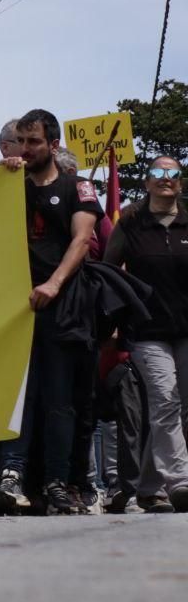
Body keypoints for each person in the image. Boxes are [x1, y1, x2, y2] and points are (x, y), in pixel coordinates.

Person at [0, 109, 102, 516]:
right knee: (18, 394)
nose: (26, 149)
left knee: (60, 398)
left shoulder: (80, 187)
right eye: (21, 141)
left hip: (64, 307)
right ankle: (11, 474)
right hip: (15, 310)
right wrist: (1, 176)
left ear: (53, 145)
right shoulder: (11, 186)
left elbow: (81, 240)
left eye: (34, 141)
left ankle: (59, 481)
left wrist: (54, 283)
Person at [104, 156, 188, 514]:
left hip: (186, 329)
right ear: (148, 181)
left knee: (180, 406)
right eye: (157, 172)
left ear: (180, 183)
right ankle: (181, 481)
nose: (165, 178)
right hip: (146, 331)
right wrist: (114, 321)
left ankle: (150, 486)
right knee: (165, 399)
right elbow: (109, 272)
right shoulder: (131, 221)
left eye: (172, 173)